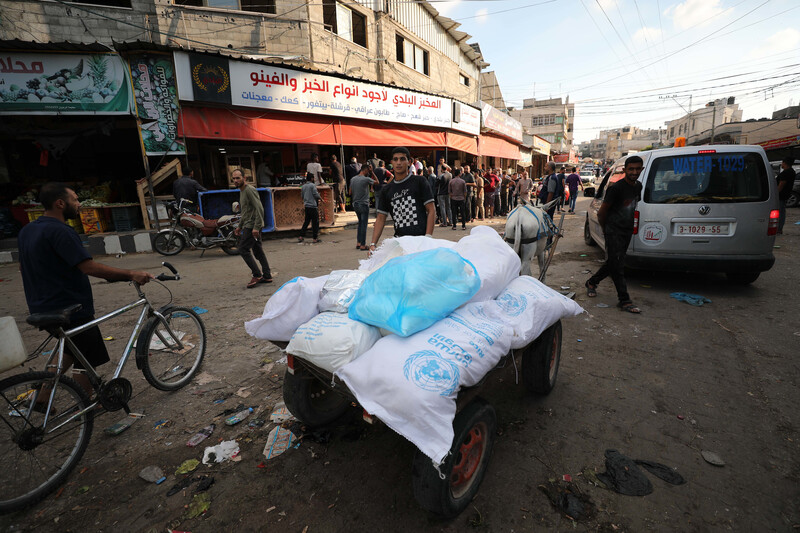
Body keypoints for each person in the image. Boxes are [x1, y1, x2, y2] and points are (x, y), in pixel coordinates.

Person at [18, 182, 153, 396]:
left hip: (41, 305)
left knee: (71, 349)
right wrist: (130, 274)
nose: (79, 204)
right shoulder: (61, 231)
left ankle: (42, 399)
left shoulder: (28, 230)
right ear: (60, 203)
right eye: (75, 199)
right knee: (86, 356)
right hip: (69, 306)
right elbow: (88, 267)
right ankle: (87, 404)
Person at [585, 156, 644, 314]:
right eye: (631, 169)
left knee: (614, 262)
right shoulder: (616, 188)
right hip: (613, 230)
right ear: (625, 170)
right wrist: (606, 229)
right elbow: (602, 212)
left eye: (637, 169)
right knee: (618, 266)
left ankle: (592, 282)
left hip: (627, 230)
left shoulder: (638, 186)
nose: (634, 172)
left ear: (642, 170)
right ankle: (624, 300)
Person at [369, 147, 435, 251]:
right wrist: (373, 244)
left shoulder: (419, 181)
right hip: (400, 243)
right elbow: (381, 218)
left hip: (420, 241)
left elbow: (431, 210)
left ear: (409, 162)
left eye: (402, 159)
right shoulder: (386, 190)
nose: (398, 163)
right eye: (395, 159)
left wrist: (428, 237)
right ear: (391, 163)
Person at [232, 169, 272, 289]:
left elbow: (259, 208)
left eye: (238, 178)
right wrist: (239, 226)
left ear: (244, 178)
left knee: (243, 249)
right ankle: (267, 275)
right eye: (233, 178)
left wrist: (256, 227)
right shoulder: (242, 191)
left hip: (252, 226)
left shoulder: (250, 190)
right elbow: (245, 211)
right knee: (258, 250)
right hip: (248, 225)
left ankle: (257, 274)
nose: (235, 180)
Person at [350, 165, 379, 250]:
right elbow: (377, 182)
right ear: (366, 170)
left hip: (355, 204)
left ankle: (358, 243)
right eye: (368, 171)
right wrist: (372, 172)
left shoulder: (353, 179)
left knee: (360, 223)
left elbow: (350, 192)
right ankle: (363, 244)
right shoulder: (366, 179)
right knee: (364, 225)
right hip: (363, 204)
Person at [298, 172, 322, 245]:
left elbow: (302, 196)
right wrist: (320, 198)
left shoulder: (303, 186)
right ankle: (315, 238)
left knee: (306, 221)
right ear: (312, 178)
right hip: (313, 206)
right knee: (315, 222)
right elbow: (315, 194)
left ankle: (301, 236)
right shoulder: (312, 185)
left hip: (307, 206)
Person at [776, 156, 796, 234]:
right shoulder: (791, 171)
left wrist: (776, 194)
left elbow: (781, 184)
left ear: (785, 163)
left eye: (782, 162)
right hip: (785, 194)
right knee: (781, 211)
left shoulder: (786, 173)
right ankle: (779, 228)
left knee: (780, 212)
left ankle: (779, 229)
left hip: (781, 195)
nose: (782, 164)